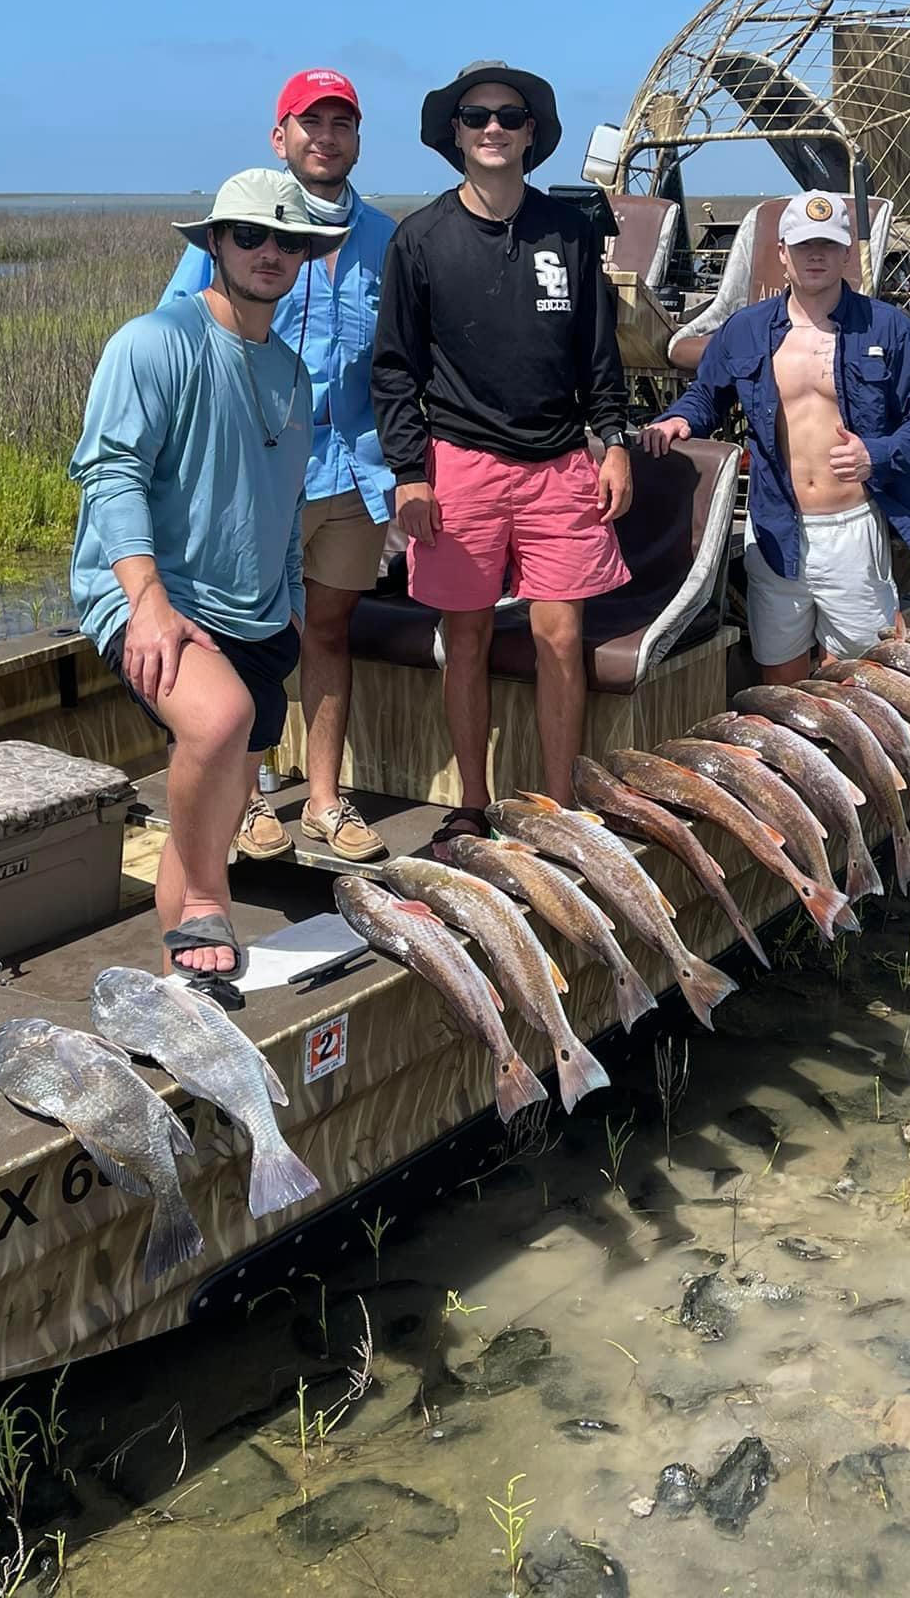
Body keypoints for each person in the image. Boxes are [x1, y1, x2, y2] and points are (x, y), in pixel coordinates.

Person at [71, 168, 338, 981]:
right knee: (219, 720)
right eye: (251, 235)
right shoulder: (155, 342)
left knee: (213, 820)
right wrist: (147, 602)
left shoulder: (293, 373)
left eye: (288, 240)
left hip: (259, 615)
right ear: (216, 242)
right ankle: (201, 906)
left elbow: (283, 500)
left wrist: (292, 605)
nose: (270, 252)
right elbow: (109, 472)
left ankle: (181, 981)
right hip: (156, 599)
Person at [371, 61, 632, 844]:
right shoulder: (418, 239)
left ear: (530, 134)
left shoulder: (571, 232)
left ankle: (559, 809)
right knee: (467, 638)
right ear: (455, 133)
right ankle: (472, 803)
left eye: (509, 116)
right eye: (477, 116)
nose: (493, 128)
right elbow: (394, 368)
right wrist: (409, 472)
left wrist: (615, 443)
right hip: (460, 463)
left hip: (560, 462)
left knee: (560, 638)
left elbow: (600, 356)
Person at [161, 68, 396, 864]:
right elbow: (179, 332)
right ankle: (245, 797)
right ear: (279, 136)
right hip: (256, 472)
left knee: (328, 629)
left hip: (354, 470)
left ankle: (324, 800)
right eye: (309, 123)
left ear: (357, 140)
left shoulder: (385, 238)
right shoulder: (239, 226)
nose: (325, 138)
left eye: (340, 124)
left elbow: (401, 360)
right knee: (238, 630)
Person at [642, 191, 910, 680]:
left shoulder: (887, 327)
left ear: (847, 253)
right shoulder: (745, 329)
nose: (816, 256)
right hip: (775, 530)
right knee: (779, 677)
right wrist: (679, 419)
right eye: (804, 245)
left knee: (859, 678)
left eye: (828, 245)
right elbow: (706, 396)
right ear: (783, 252)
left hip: (851, 529)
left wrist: (877, 454)